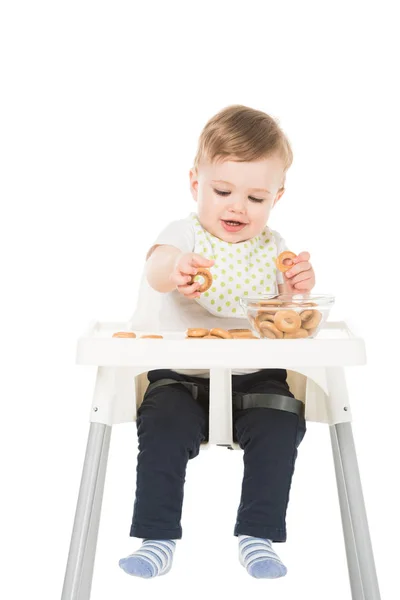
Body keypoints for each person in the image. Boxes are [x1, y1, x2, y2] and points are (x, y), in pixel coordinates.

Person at [119, 105, 316, 579]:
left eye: (255, 197)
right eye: (223, 190)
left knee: (282, 424)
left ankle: (259, 535)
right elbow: (157, 267)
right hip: (182, 379)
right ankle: (157, 537)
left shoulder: (274, 246)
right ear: (196, 184)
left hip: (255, 379)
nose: (237, 207)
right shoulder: (183, 235)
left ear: (277, 198)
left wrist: (297, 288)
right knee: (161, 428)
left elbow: (284, 311)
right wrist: (176, 269)